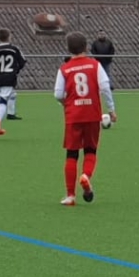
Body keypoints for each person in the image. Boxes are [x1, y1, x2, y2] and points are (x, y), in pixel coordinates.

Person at [54, 32, 116, 206]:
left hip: (73, 116)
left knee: (71, 154)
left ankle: (70, 196)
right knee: (90, 150)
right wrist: (111, 110)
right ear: (86, 47)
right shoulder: (95, 65)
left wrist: (66, 103)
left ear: (68, 48)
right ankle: (86, 176)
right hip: (92, 114)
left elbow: (58, 94)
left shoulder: (64, 69)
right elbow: (105, 87)